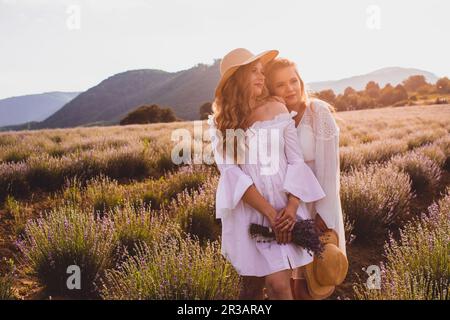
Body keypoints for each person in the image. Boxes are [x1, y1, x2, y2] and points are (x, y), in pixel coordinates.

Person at [208, 48, 325, 299]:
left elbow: (295, 160)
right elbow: (232, 176)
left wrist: (291, 209)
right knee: (251, 290)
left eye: (262, 71)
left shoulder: (277, 107)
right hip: (252, 214)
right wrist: (270, 215)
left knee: (279, 285)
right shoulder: (221, 123)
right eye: (253, 72)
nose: (261, 77)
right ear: (237, 78)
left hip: (286, 208)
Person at [264, 57, 347, 299]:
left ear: (300, 81)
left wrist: (324, 212)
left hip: (316, 205)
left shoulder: (317, 111)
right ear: (271, 89)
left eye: (293, 80)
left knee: (313, 280)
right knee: (290, 281)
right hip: (288, 207)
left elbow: (330, 170)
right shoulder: (274, 118)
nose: (289, 88)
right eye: (280, 84)